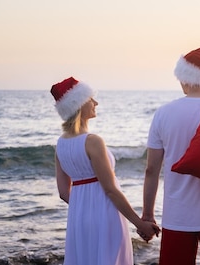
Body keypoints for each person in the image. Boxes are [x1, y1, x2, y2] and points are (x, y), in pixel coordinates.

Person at [142, 47, 200, 265]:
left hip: (178, 217)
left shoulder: (163, 114)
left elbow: (151, 170)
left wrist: (147, 215)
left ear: (184, 78)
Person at [51, 77, 159, 265]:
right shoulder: (92, 141)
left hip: (79, 219)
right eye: (91, 99)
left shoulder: (60, 144)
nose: (96, 103)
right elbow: (110, 189)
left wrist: (84, 207)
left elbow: (63, 192)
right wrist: (139, 223)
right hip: (105, 216)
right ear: (79, 105)